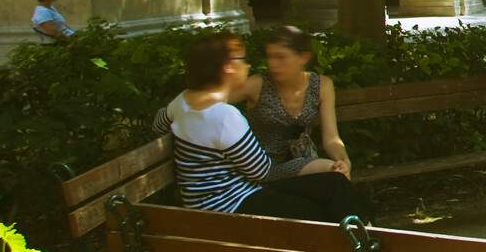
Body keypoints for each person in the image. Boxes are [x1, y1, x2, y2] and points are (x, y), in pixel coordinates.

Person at [154, 32, 369, 221]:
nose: (247, 65)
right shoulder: (225, 117)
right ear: (228, 67)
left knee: (333, 186)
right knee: (322, 207)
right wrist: (316, 165)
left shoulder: (182, 102)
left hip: (215, 201)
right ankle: (364, 251)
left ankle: (366, 245)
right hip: (232, 206)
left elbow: (159, 125)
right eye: (242, 60)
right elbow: (263, 173)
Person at [234, 26, 353, 174]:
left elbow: (331, 138)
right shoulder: (257, 84)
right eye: (270, 56)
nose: (273, 64)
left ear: (303, 57)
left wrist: (343, 160)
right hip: (261, 166)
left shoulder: (322, 85)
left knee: (337, 170)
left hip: (304, 161)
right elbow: (212, 101)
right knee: (329, 171)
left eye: (280, 57)